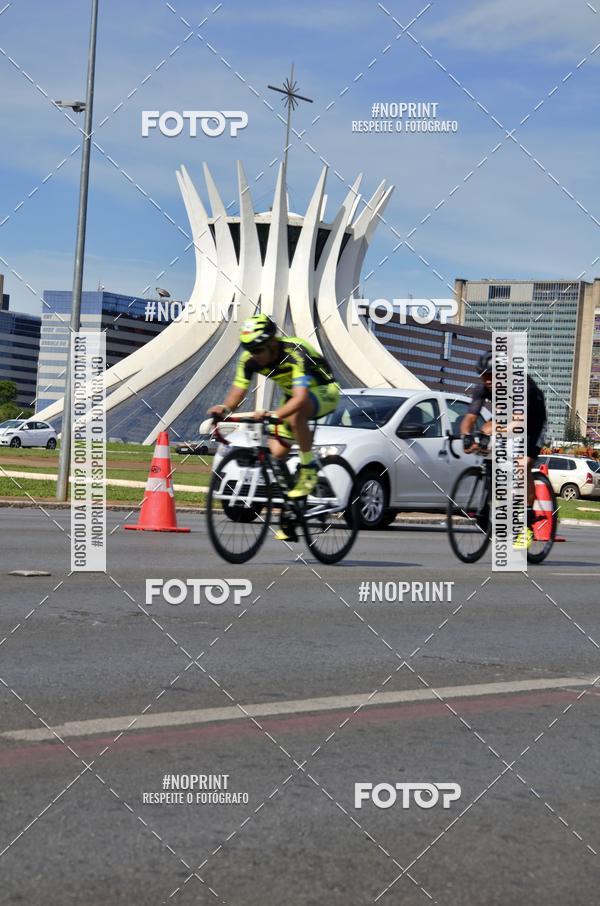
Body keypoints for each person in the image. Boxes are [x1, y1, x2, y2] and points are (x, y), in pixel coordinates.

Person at [208, 314, 339, 527]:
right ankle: (294, 508)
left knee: (296, 414)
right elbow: (238, 391)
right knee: (277, 453)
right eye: (249, 349)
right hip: (293, 396)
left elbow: (300, 398)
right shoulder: (250, 360)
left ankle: (308, 470)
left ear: (272, 343)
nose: (254, 355)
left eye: (258, 349)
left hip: (323, 391)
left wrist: (275, 415)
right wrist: (224, 408)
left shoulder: (296, 352)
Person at [460, 350, 547, 549]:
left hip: (532, 421)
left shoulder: (520, 386)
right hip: (508, 416)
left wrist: (496, 431)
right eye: (484, 376)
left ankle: (526, 523)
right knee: (485, 432)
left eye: (491, 375)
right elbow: (471, 418)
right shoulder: (483, 388)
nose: (487, 380)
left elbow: (518, 424)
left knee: (523, 465)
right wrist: (466, 437)